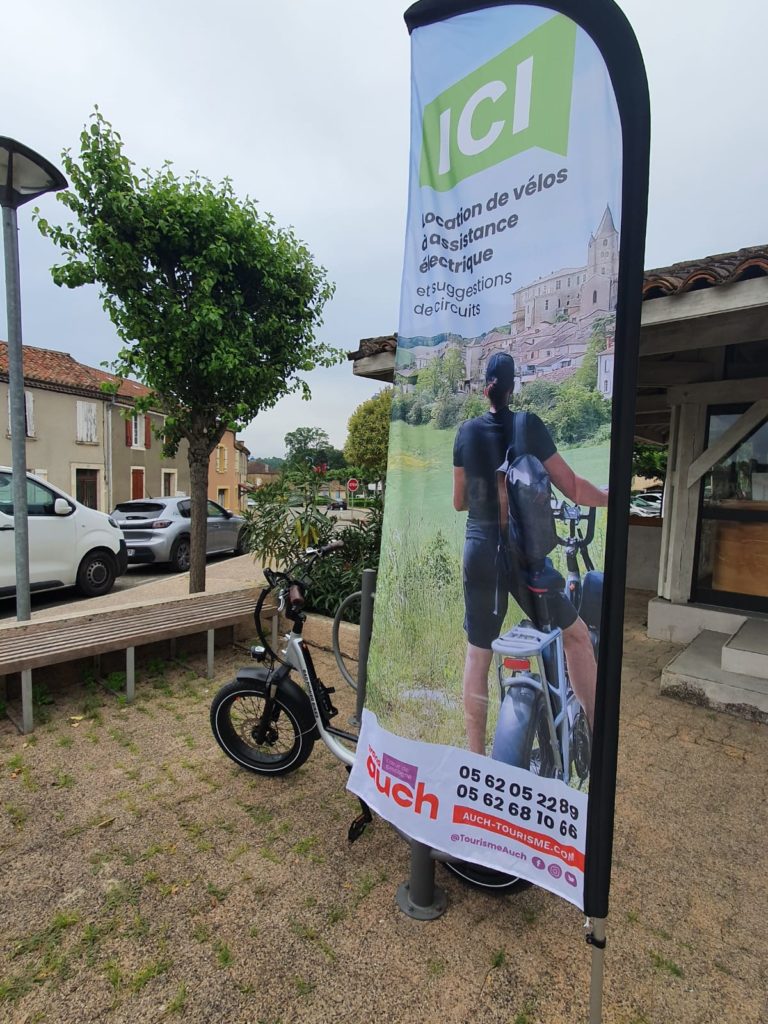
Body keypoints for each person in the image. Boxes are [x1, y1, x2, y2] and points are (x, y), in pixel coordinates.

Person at [452, 352, 608, 755]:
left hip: (479, 552)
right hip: (524, 557)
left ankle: (475, 757)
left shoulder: (465, 433)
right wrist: (612, 498)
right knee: (575, 636)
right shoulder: (528, 426)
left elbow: (458, 502)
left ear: (484, 386)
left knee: (478, 654)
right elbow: (573, 487)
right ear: (513, 385)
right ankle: (595, 732)